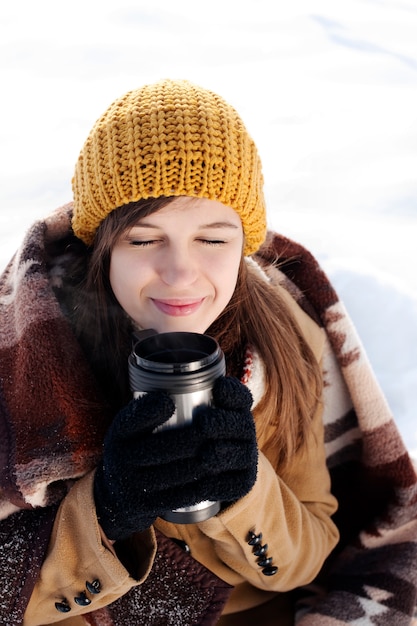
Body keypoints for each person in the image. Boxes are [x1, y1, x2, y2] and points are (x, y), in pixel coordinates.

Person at [0, 79, 416, 626]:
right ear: (101, 246)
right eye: (144, 240)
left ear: (245, 243)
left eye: (213, 240)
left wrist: (246, 491)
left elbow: (310, 558)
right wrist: (104, 515)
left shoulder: (284, 340)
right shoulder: (30, 352)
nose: (179, 274)